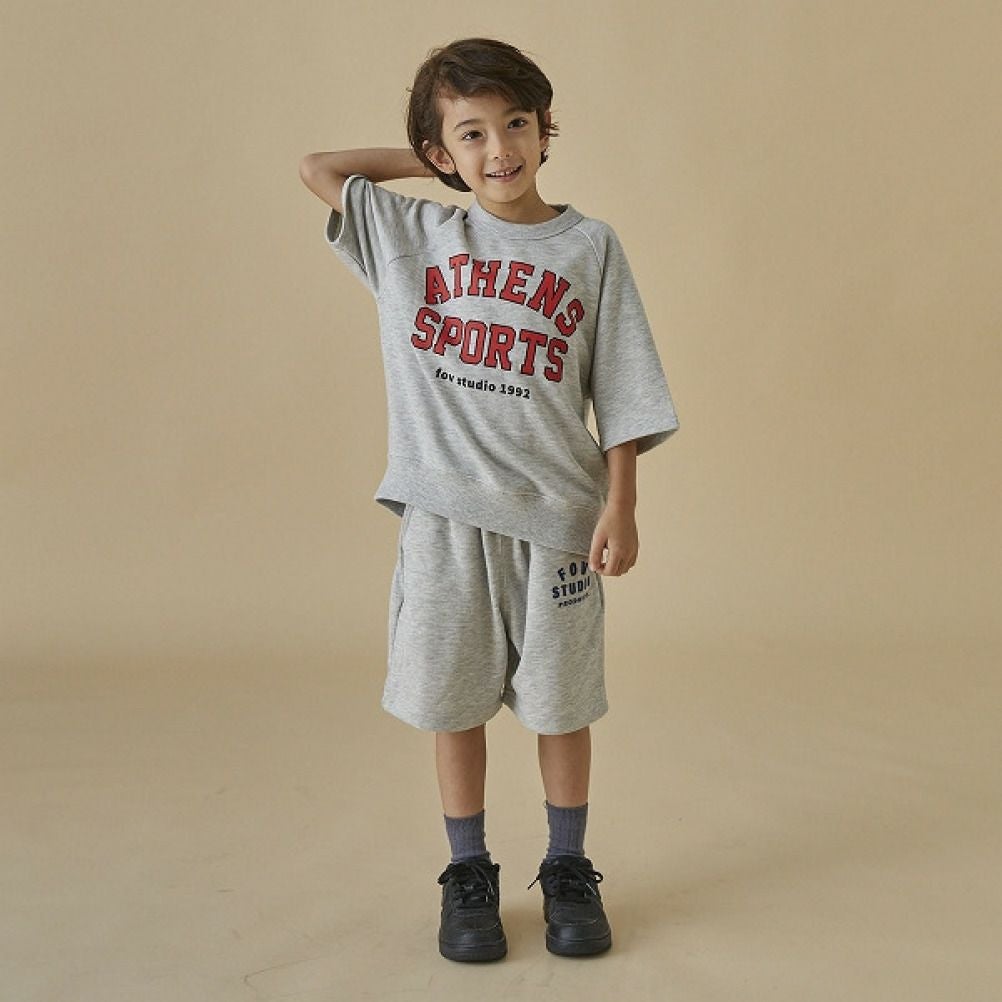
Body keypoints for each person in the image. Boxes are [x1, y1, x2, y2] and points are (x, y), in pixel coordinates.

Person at [299, 36, 679, 963]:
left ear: (547, 130)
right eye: (471, 134)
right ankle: (468, 872)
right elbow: (319, 170)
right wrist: (438, 163)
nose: (500, 148)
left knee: (562, 707)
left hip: (558, 523)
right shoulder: (417, 237)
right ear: (441, 152)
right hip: (444, 520)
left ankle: (567, 866)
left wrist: (621, 505)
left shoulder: (589, 247)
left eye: (516, 124)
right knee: (453, 702)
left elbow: (623, 388)